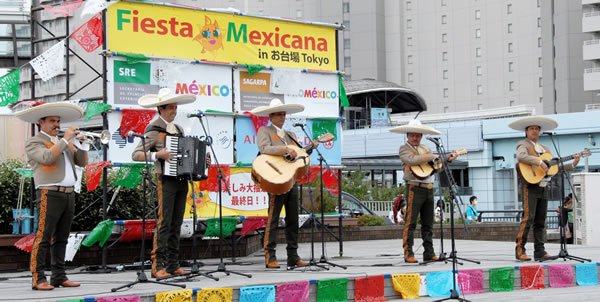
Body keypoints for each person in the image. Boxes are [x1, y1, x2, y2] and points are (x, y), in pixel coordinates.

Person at [17, 102, 88, 290]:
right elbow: (47, 157)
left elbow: (81, 162)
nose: (57, 124)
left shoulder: (64, 142)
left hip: (68, 193)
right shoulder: (35, 142)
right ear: (42, 122)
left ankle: (59, 276)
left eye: (58, 121)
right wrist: (65, 141)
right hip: (49, 192)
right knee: (43, 236)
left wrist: (83, 144)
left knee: (62, 237)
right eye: (52, 121)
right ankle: (38, 278)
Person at [132, 88, 196, 278]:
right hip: (165, 179)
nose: (174, 112)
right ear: (160, 108)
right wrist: (157, 155)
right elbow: (136, 154)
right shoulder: (153, 130)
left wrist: (199, 162)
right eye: (170, 108)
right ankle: (157, 265)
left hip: (181, 179)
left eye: (175, 108)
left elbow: (186, 154)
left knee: (177, 222)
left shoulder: (180, 129)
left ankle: (172, 263)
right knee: (165, 222)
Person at [251, 98, 319, 269]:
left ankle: (293, 255)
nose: (282, 117)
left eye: (283, 114)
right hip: (275, 179)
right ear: (271, 116)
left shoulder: (291, 135)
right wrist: (284, 149)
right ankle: (270, 255)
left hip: (290, 179)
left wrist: (309, 149)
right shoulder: (264, 130)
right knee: (273, 218)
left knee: (293, 218)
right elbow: (264, 148)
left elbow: (298, 155)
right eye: (279, 114)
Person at [509, 116, 580, 261]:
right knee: (528, 218)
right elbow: (521, 157)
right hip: (530, 187)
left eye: (537, 129)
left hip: (543, 186)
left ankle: (540, 251)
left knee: (541, 220)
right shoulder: (523, 144)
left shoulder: (545, 149)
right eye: (532, 129)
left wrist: (572, 164)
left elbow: (553, 168)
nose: (535, 131)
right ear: (526, 131)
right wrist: (539, 161)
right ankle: (520, 249)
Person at [390, 120, 458, 263]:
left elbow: (435, 168)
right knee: (411, 221)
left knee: (428, 222)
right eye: (413, 135)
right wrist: (430, 156)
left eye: (418, 135)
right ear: (407, 135)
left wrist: (447, 160)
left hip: (428, 188)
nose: (415, 138)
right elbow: (412, 160)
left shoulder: (425, 148)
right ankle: (408, 252)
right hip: (414, 187)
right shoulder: (404, 148)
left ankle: (429, 252)